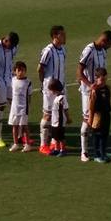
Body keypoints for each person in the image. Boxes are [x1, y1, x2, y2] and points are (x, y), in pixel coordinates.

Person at [77, 30, 111, 148]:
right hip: (89, 91)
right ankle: (84, 151)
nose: (109, 47)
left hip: (100, 91)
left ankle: (99, 150)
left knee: (99, 119)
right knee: (88, 119)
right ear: (104, 41)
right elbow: (79, 71)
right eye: (109, 44)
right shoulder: (89, 50)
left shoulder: (103, 51)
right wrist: (89, 85)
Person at [37, 25, 67, 155]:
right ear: (55, 36)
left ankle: (55, 142)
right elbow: (40, 68)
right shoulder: (48, 50)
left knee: (59, 115)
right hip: (50, 89)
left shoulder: (63, 50)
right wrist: (44, 84)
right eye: (62, 35)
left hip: (61, 88)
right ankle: (43, 144)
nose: (65, 36)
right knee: (48, 115)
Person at [90, 68, 111, 163]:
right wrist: (90, 119)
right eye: (101, 79)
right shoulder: (95, 91)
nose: (103, 81)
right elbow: (91, 106)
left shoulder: (107, 88)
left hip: (106, 114)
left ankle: (103, 152)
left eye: (105, 79)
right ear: (96, 78)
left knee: (105, 135)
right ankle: (97, 155)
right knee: (98, 135)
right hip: (98, 115)